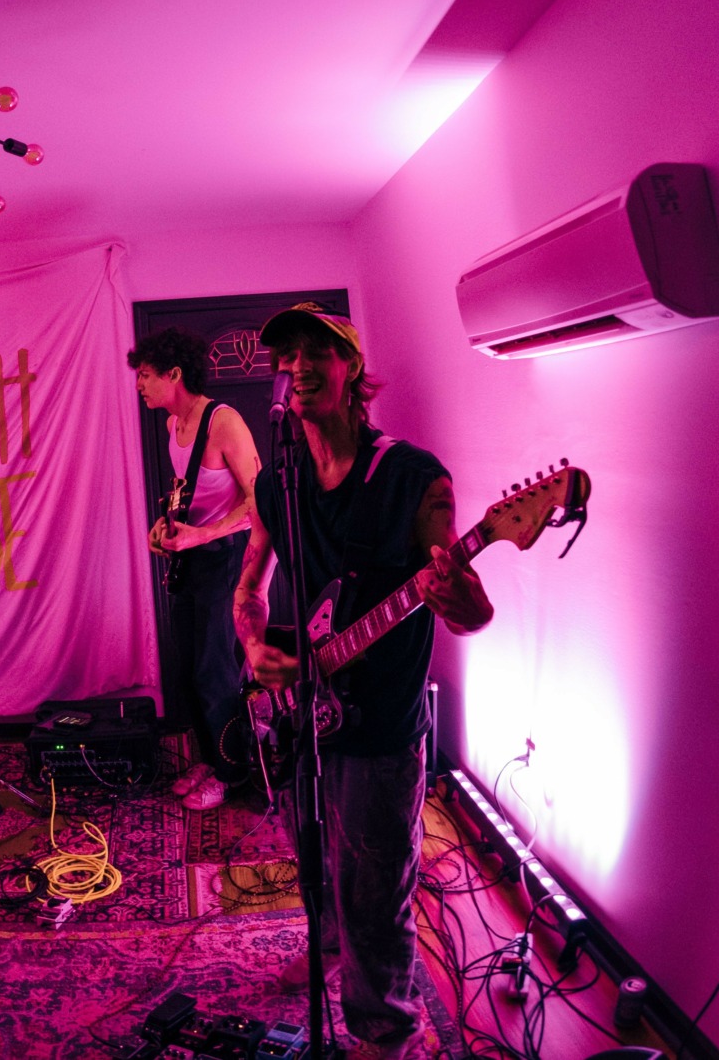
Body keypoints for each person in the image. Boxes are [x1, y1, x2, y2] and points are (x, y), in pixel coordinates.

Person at [233, 304, 492, 1051]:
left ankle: (384, 1029)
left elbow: (472, 612)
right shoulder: (277, 482)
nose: (298, 366)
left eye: (317, 352)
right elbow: (248, 590)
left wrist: (460, 598)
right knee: (313, 856)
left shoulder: (413, 478)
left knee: (376, 887)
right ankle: (330, 949)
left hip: (380, 726)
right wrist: (253, 645)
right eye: (286, 356)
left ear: (352, 369)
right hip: (300, 711)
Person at [129, 327, 261, 810]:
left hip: (226, 557)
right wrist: (166, 526)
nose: (139, 385)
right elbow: (190, 494)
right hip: (195, 559)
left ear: (174, 374)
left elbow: (259, 503)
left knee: (214, 669)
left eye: (146, 375)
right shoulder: (173, 426)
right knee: (188, 667)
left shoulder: (224, 423)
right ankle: (212, 757)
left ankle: (233, 773)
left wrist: (202, 536)